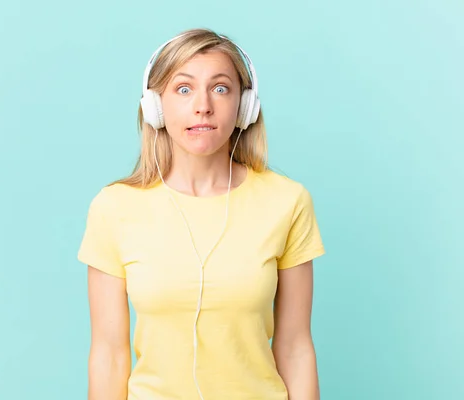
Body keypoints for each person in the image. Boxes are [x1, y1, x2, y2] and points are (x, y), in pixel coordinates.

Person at [77, 28, 326, 400]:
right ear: (155, 106)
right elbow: (109, 355)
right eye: (183, 89)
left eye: (221, 88)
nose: (203, 105)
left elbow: (295, 347)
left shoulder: (287, 201)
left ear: (245, 106)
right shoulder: (114, 207)